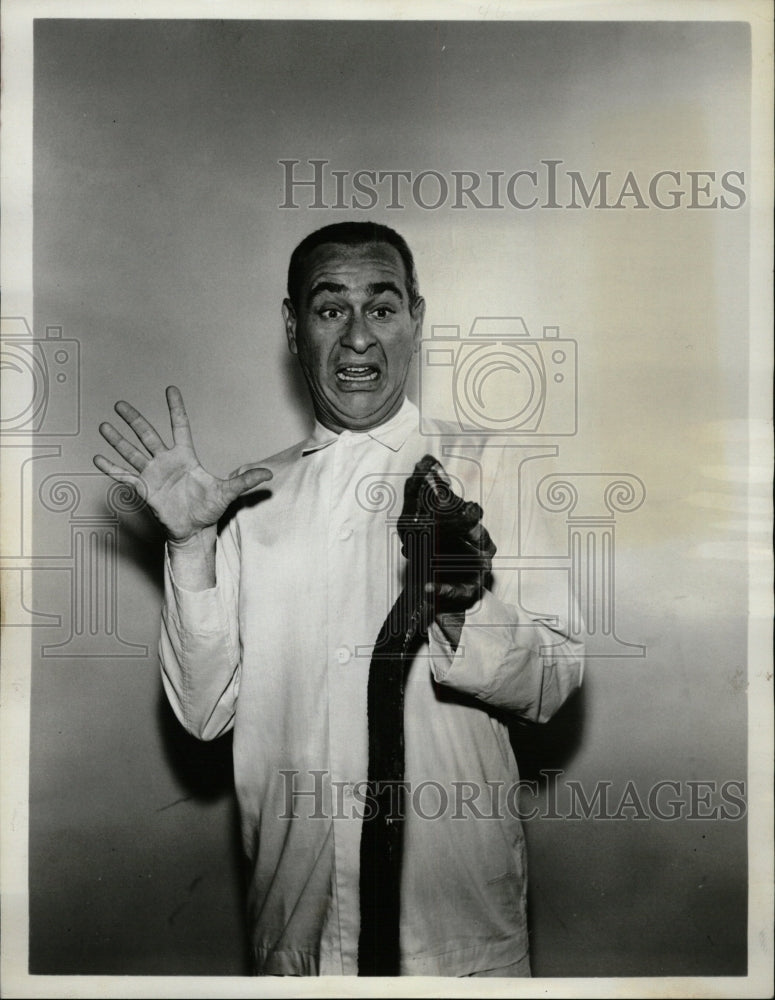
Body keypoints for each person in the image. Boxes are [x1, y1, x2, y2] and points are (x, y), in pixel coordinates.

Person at [94, 221, 583, 977]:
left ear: (416, 318)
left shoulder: (498, 473)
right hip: (298, 932)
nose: (358, 337)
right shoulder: (244, 500)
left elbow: (550, 684)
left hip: (457, 942)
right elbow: (202, 714)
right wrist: (190, 546)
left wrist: (459, 603)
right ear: (293, 327)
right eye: (330, 310)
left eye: (381, 308)